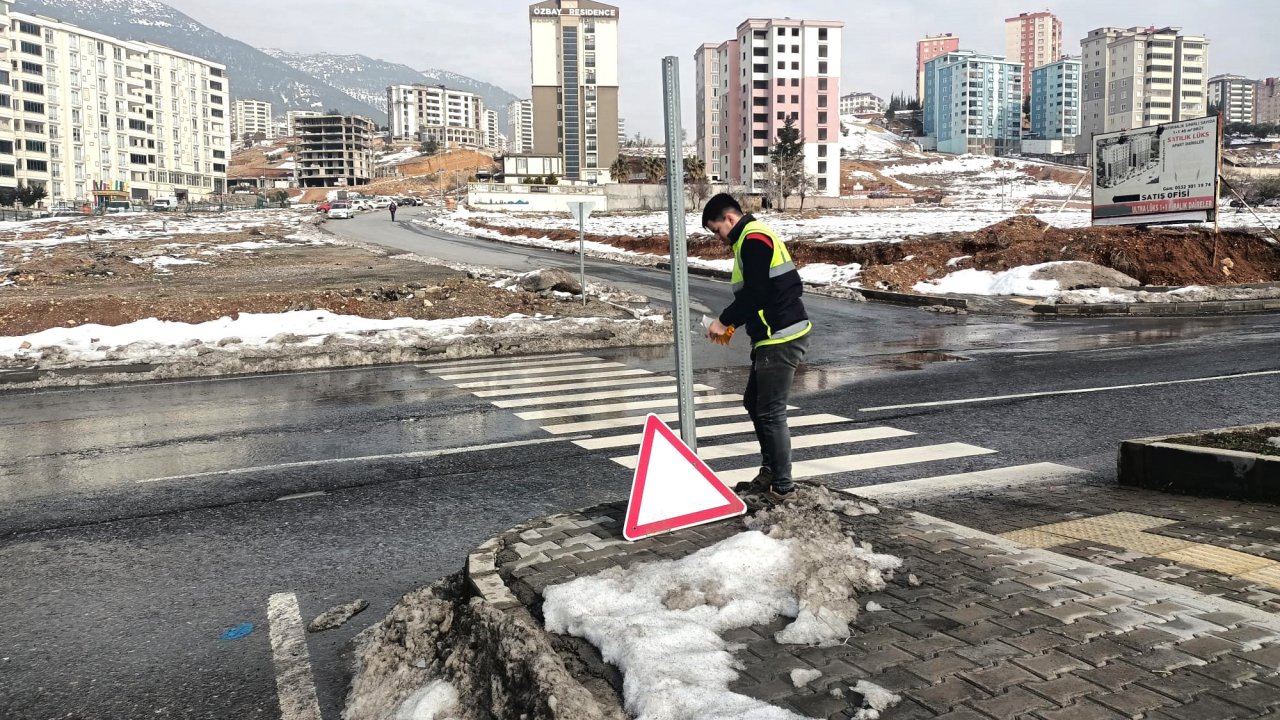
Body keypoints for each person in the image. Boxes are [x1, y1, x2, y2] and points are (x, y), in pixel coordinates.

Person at [702, 193, 811, 503]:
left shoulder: (753, 239)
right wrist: (736, 323)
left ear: (730, 219)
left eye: (717, 230)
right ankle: (771, 470)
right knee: (754, 402)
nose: (719, 238)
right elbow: (758, 294)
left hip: (782, 336)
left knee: (771, 411)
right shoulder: (749, 240)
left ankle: (783, 485)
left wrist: (725, 320)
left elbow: (758, 292)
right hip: (771, 334)